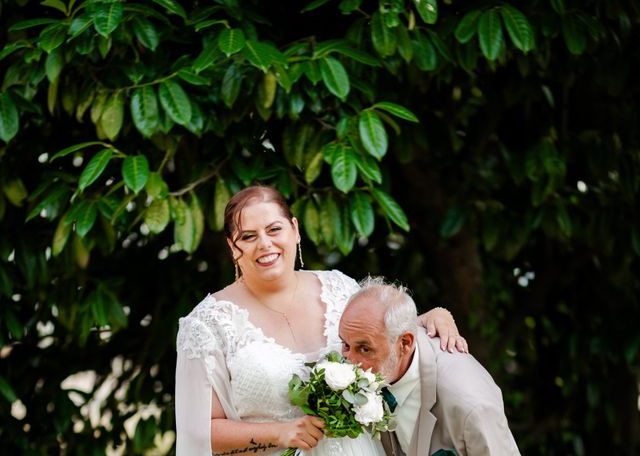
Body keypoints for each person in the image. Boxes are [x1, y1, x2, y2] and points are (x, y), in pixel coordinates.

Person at [175, 185, 468, 456]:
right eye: (248, 237)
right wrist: (281, 433)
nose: (264, 244)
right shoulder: (206, 324)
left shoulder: (338, 288)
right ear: (232, 247)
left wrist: (432, 317)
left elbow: (385, 338)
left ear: (295, 230)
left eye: (274, 229)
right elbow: (200, 430)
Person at [339, 277, 520, 456]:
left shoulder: (471, 406)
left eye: (365, 349)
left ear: (405, 344)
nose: (350, 362)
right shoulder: (371, 345)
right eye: (345, 345)